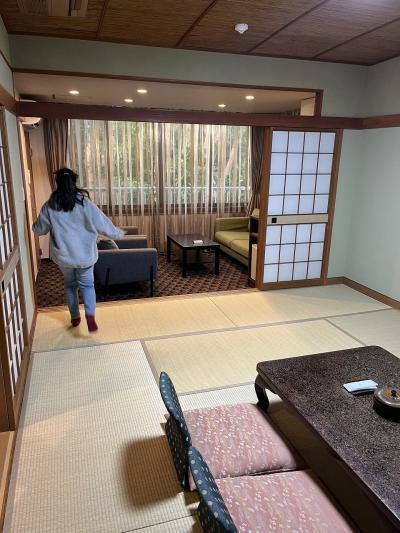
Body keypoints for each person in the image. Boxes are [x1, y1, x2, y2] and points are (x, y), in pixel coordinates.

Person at [32, 167, 124, 332]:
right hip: (85, 256)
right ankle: (90, 316)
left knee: (70, 285)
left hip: (64, 257)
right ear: (74, 182)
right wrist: (118, 233)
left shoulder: (50, 205)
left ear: (57, 183)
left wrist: (34, 225)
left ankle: (75, 317)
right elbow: (102, 223)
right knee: (88, 286)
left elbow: (40, 230)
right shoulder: (85, 203)